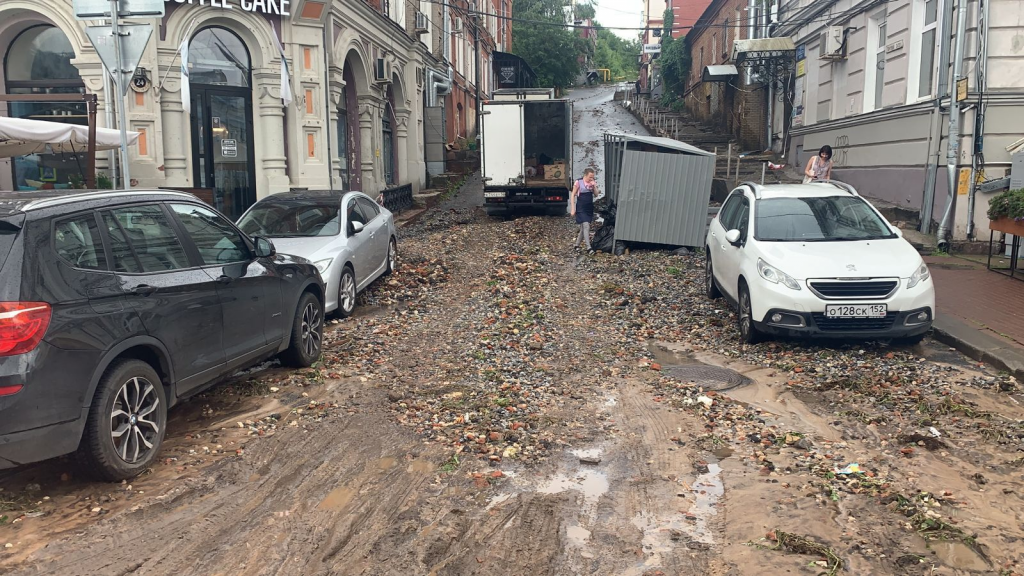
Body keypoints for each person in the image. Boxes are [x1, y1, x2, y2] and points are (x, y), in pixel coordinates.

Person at [571, 168, 597, 253]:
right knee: (586, 226)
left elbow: (596, 195)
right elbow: (572, 195)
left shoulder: (592, 183)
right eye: (590, 177)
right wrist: (573, 208)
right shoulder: (578, 182)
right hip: (581, 207)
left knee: (583, 228)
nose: (591, 179)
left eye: (592, 177)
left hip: (589, 207)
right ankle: (588, 248)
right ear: (585, 175)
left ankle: (576, 245)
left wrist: (594, 186)